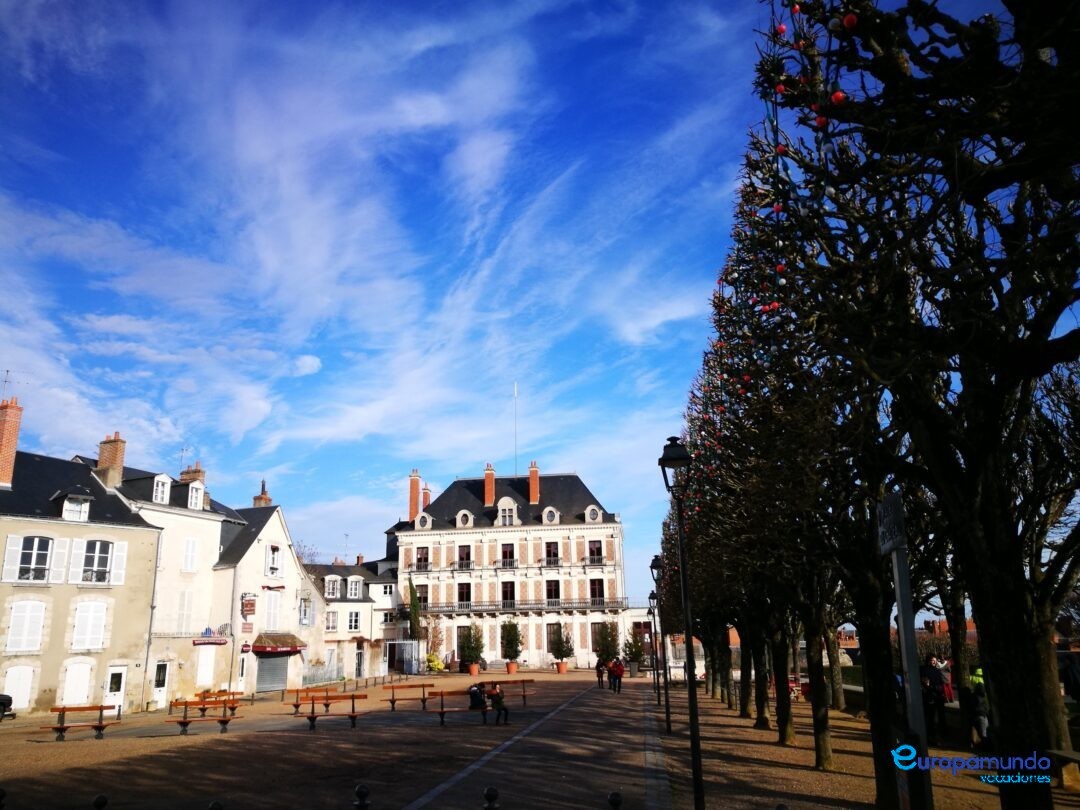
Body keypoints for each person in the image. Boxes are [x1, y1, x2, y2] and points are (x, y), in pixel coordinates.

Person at [919, 655, 947, 744]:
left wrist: (938, 688)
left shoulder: (936, 671)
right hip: (930, 697)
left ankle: (936, 735)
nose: (934, 662)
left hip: (937, 696)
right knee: (929, 718)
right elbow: (926, 684)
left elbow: (940, 683)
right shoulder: (924, 670)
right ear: (928, 661)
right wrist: (932, 687)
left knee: (936, 718)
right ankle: (930, 736)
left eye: (935, 660)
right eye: (932, 660)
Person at [970, 681, 990, 750]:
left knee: (981, 733)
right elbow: (987, 707)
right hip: (983, 716)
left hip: (977, 716)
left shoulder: (973, 696)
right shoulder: (984, 696)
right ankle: (984, 747)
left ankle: (981, 746)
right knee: (984, 733)